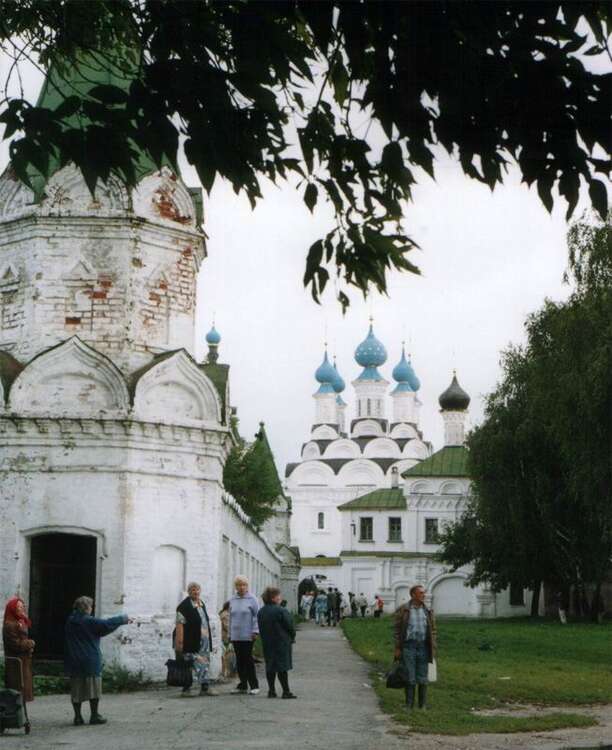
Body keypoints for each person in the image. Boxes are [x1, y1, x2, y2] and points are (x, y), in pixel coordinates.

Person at [64, 595, 131, 726]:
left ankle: (78, 717)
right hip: (90, 659)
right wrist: (123, 619)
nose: (91, 609)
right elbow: (106, 625)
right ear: (86, 608)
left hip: (74, 659)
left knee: (76, 690)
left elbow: (100, 629)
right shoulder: (89, 621)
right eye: (90, 606)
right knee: (93, 689)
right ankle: (94, 715)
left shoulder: (70, 621)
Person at [393, 585, 437, 710]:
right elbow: (396, 630)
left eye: (424, 593)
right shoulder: (404, 609)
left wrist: (434, 645)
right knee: (409, 676)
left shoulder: (427, 610)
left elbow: (433, 630)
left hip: (424, 646)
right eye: (421, 593)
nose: (424, 595)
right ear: (413, 595)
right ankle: (409, 705)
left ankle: (422, 705)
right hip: (408, 646)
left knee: (423, 676)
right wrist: (397, 647)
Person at [175, 582, 217, 697]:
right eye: (193, 590)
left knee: (204, 664)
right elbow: (179, 625)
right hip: (190, 641)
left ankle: (205, 688)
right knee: (188, 663)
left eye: (197, 589)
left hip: (204, 642)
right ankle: (186, 689)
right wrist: (180, 642)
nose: (196, 592)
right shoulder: (183, 607)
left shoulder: (201, 603)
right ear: (189, 592)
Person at [257, 587, 297, 699]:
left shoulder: (261, 611)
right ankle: (286, 691)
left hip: (267, 642)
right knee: (282, 667)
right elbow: (289, 626)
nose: (280, 597)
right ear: (273, 598)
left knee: (270, 666)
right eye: (278, 596)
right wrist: (292, 636)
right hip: (281, 642)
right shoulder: (281, 610)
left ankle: (271, 691)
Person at [229, 575, 260, 694]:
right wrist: (230, 634)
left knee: (248, 659)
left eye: (244, 585)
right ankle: (242, 685)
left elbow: (256, 616)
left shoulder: (252, 599)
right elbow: (231, 617)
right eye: (239, 585)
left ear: (247, 586)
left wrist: (255, 631)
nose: (241, 587)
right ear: (236, 587)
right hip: (236, 635)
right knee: (240, 660)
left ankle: (254, 685)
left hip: (248, 635)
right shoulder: (232, 600)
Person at [2, 597, 34, 702]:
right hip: (16, 663)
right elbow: (16, 644)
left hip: (23, 661)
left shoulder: (19, 621)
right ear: (12, 609)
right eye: (18, 607)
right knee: (16, 692)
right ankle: (16, 717)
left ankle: (21, 716)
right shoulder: (10, 625)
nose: (22, 609)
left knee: (22, 693)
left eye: (22, 606)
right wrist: (30, 643)